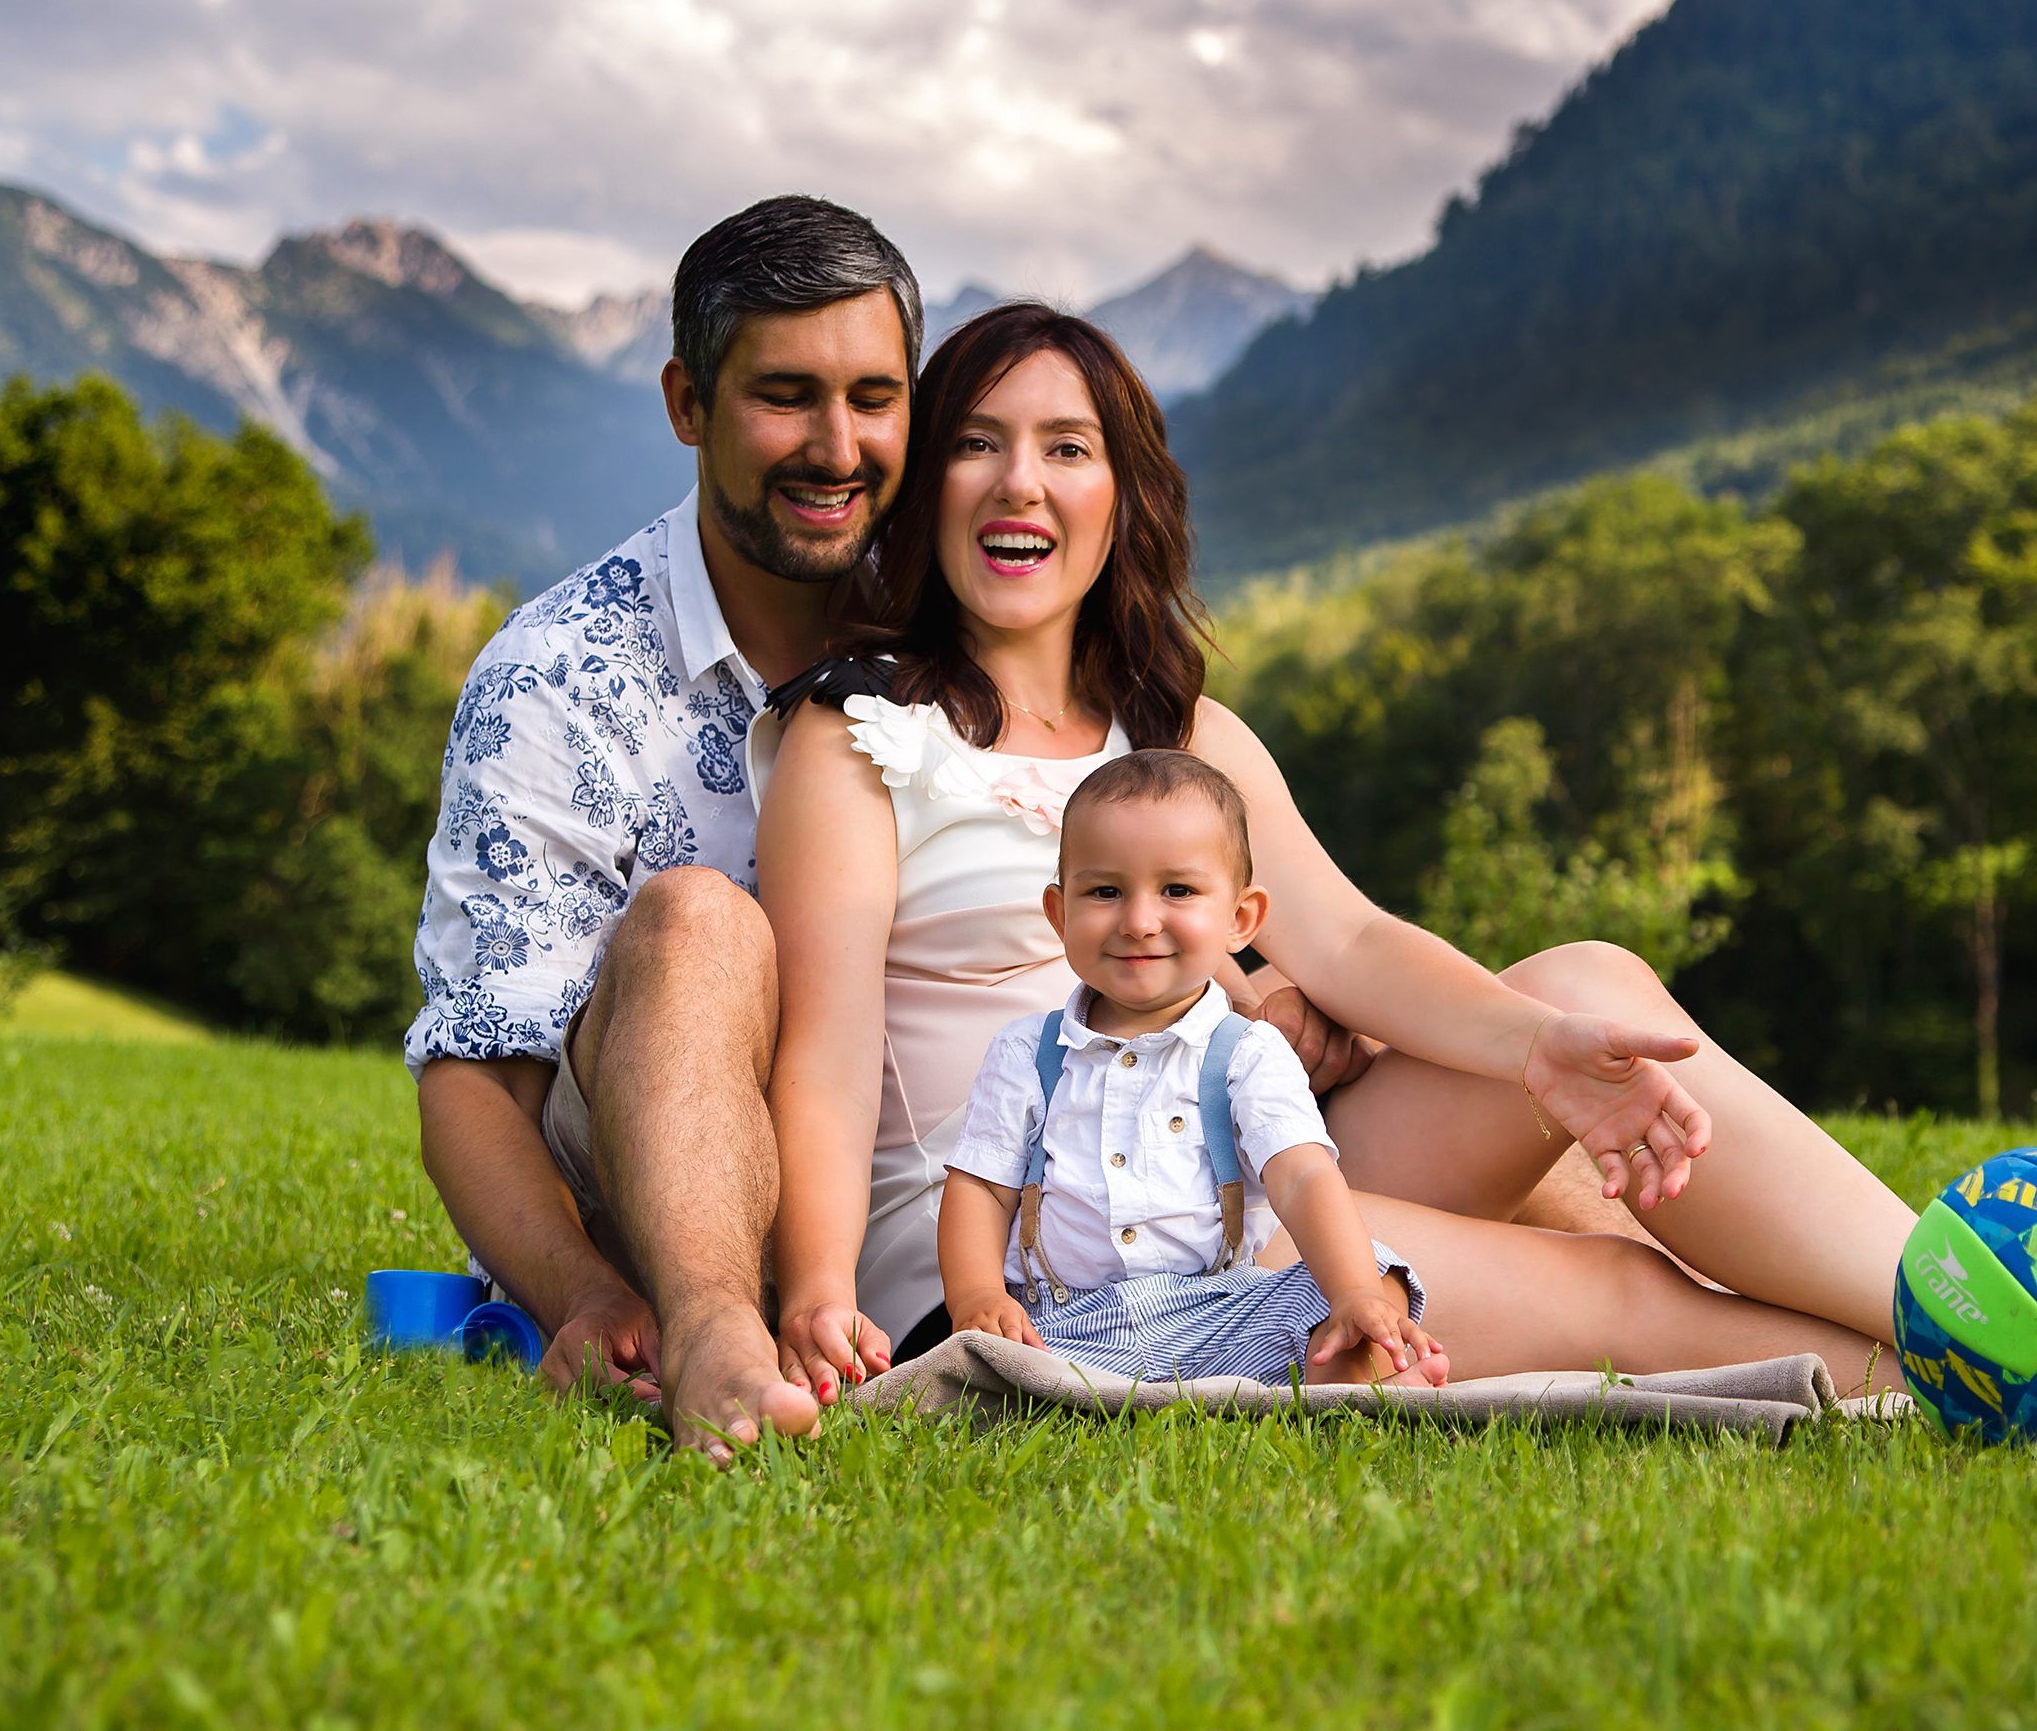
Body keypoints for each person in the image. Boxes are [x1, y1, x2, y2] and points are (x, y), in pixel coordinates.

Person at [756, 299, 2037, 1407]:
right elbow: (821, 1058)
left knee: (1594, 984)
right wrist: (820, 1293)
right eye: (977, 440)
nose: (1020, 480)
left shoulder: (1182, 729)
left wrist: (1553, 1055)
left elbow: (1363, 946)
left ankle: (1995, 1305)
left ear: (1120, 494)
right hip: (1056, 1262)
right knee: (1618, 1302)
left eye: (1068, 444)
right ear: (928, 488)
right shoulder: (865, 740)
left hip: (1257, 1170)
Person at [408, 197, 1374, 1462]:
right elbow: (476, 1068)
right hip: (660, 1169)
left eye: (874, 397)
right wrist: (586, 1294)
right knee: (704, 920)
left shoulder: (958, 614)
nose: (837, 446)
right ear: (688, 406)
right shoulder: (559, 676)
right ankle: (719, 1346)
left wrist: (1251, 980)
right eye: (785, 398)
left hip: (958, 1181)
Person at [940, 749, 1447, 1388]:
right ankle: (1075, 1393)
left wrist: (1350, 1291)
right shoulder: (1027, 1054)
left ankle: (1365, 1357)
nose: (1139, 921)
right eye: (1105, 892)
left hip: (1222, 1314)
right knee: (982, 1368)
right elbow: (981, 1187)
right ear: (1060, 913)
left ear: (1240, 919)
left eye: (1177, 890)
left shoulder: (1246, 1053)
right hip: (1063, 1329)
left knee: (1374, 1272)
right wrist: (976, 1295)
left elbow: (1300, 1175)